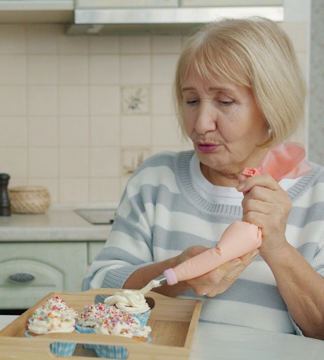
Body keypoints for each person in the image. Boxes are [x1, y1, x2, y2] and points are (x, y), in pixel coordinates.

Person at [82, 17, 324, 339]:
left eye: (225, 102)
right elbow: (96, 290)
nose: (200, 124)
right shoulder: (156, 180)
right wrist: (178, 275)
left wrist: (278, 247)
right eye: (191, 100)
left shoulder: (317, 195)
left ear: (271, 106)